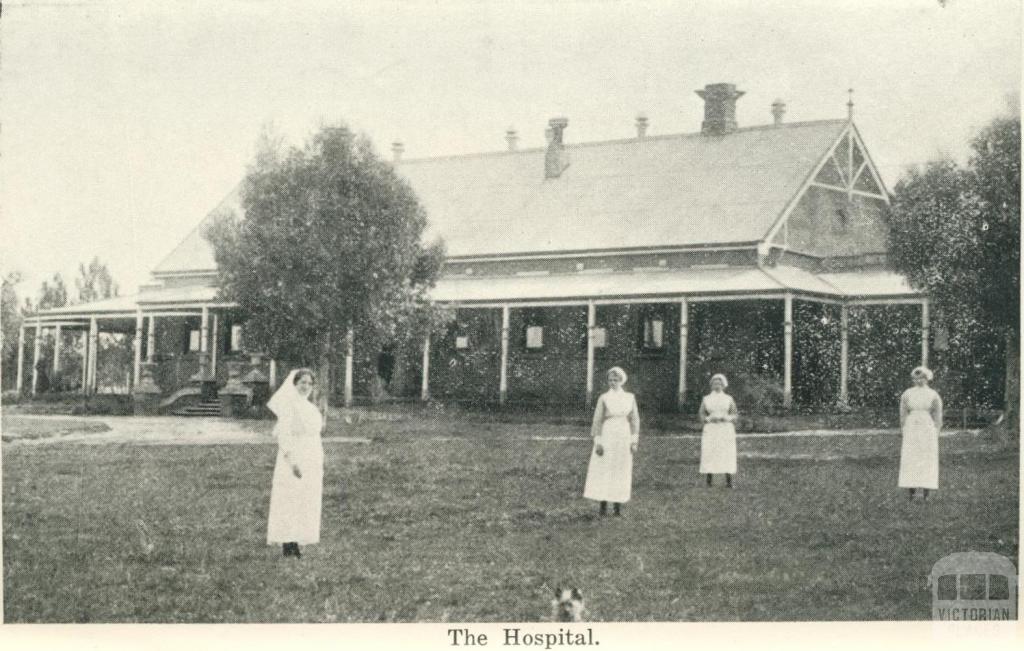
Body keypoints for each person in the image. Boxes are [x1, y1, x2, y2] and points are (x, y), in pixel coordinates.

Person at [266, 368, 324, 557]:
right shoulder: (289, 406)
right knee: (289, 498)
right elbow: (284, 435)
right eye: (302, 383)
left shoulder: (311, 407)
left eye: (309, 383)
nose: (306, 387)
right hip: (294, 457)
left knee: (306, 499)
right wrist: (292, 462)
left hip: (311, 456)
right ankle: (287, 541)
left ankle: (298, 539)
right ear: (294, 384)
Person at [583, 367, 640, 516]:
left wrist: (634, 441)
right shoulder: (604, 398)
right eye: (610, 380)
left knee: (620, 468)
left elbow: (634, 420)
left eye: (616, 380)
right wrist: (598, 442)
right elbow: (597, 420)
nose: (613, 382)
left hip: (623, 435)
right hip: (608, 433)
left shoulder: (630, 397)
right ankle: (603, 506)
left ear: (622, 381)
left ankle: (617, 507)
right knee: (604, 468)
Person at [899, 366, 943, 501]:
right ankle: (911, 493)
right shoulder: (907, 394)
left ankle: (926, 494)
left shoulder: (933, 394)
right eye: (916, 378)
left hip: (927, 427)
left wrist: (937, 430)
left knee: (927, 458)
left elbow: (937, 414)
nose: (919, 381)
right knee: (911, 458)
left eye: (922, 378)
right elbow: (903, 412)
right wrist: (903, 428)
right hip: (911, 426)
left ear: (927, 379)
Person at [699, 373, 738, 488]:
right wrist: (707, 419)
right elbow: (701, 413)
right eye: (715, 383)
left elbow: (734, 413)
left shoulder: (728, 399)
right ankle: (709, 481)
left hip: (725, 428)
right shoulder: (706, 399)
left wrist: (727, 418)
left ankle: (729, 481)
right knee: (710, 452)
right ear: (711, 385)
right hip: (711, 428)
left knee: (726, 453)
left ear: (724, 384)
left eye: (719, 383)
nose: (717, 385)